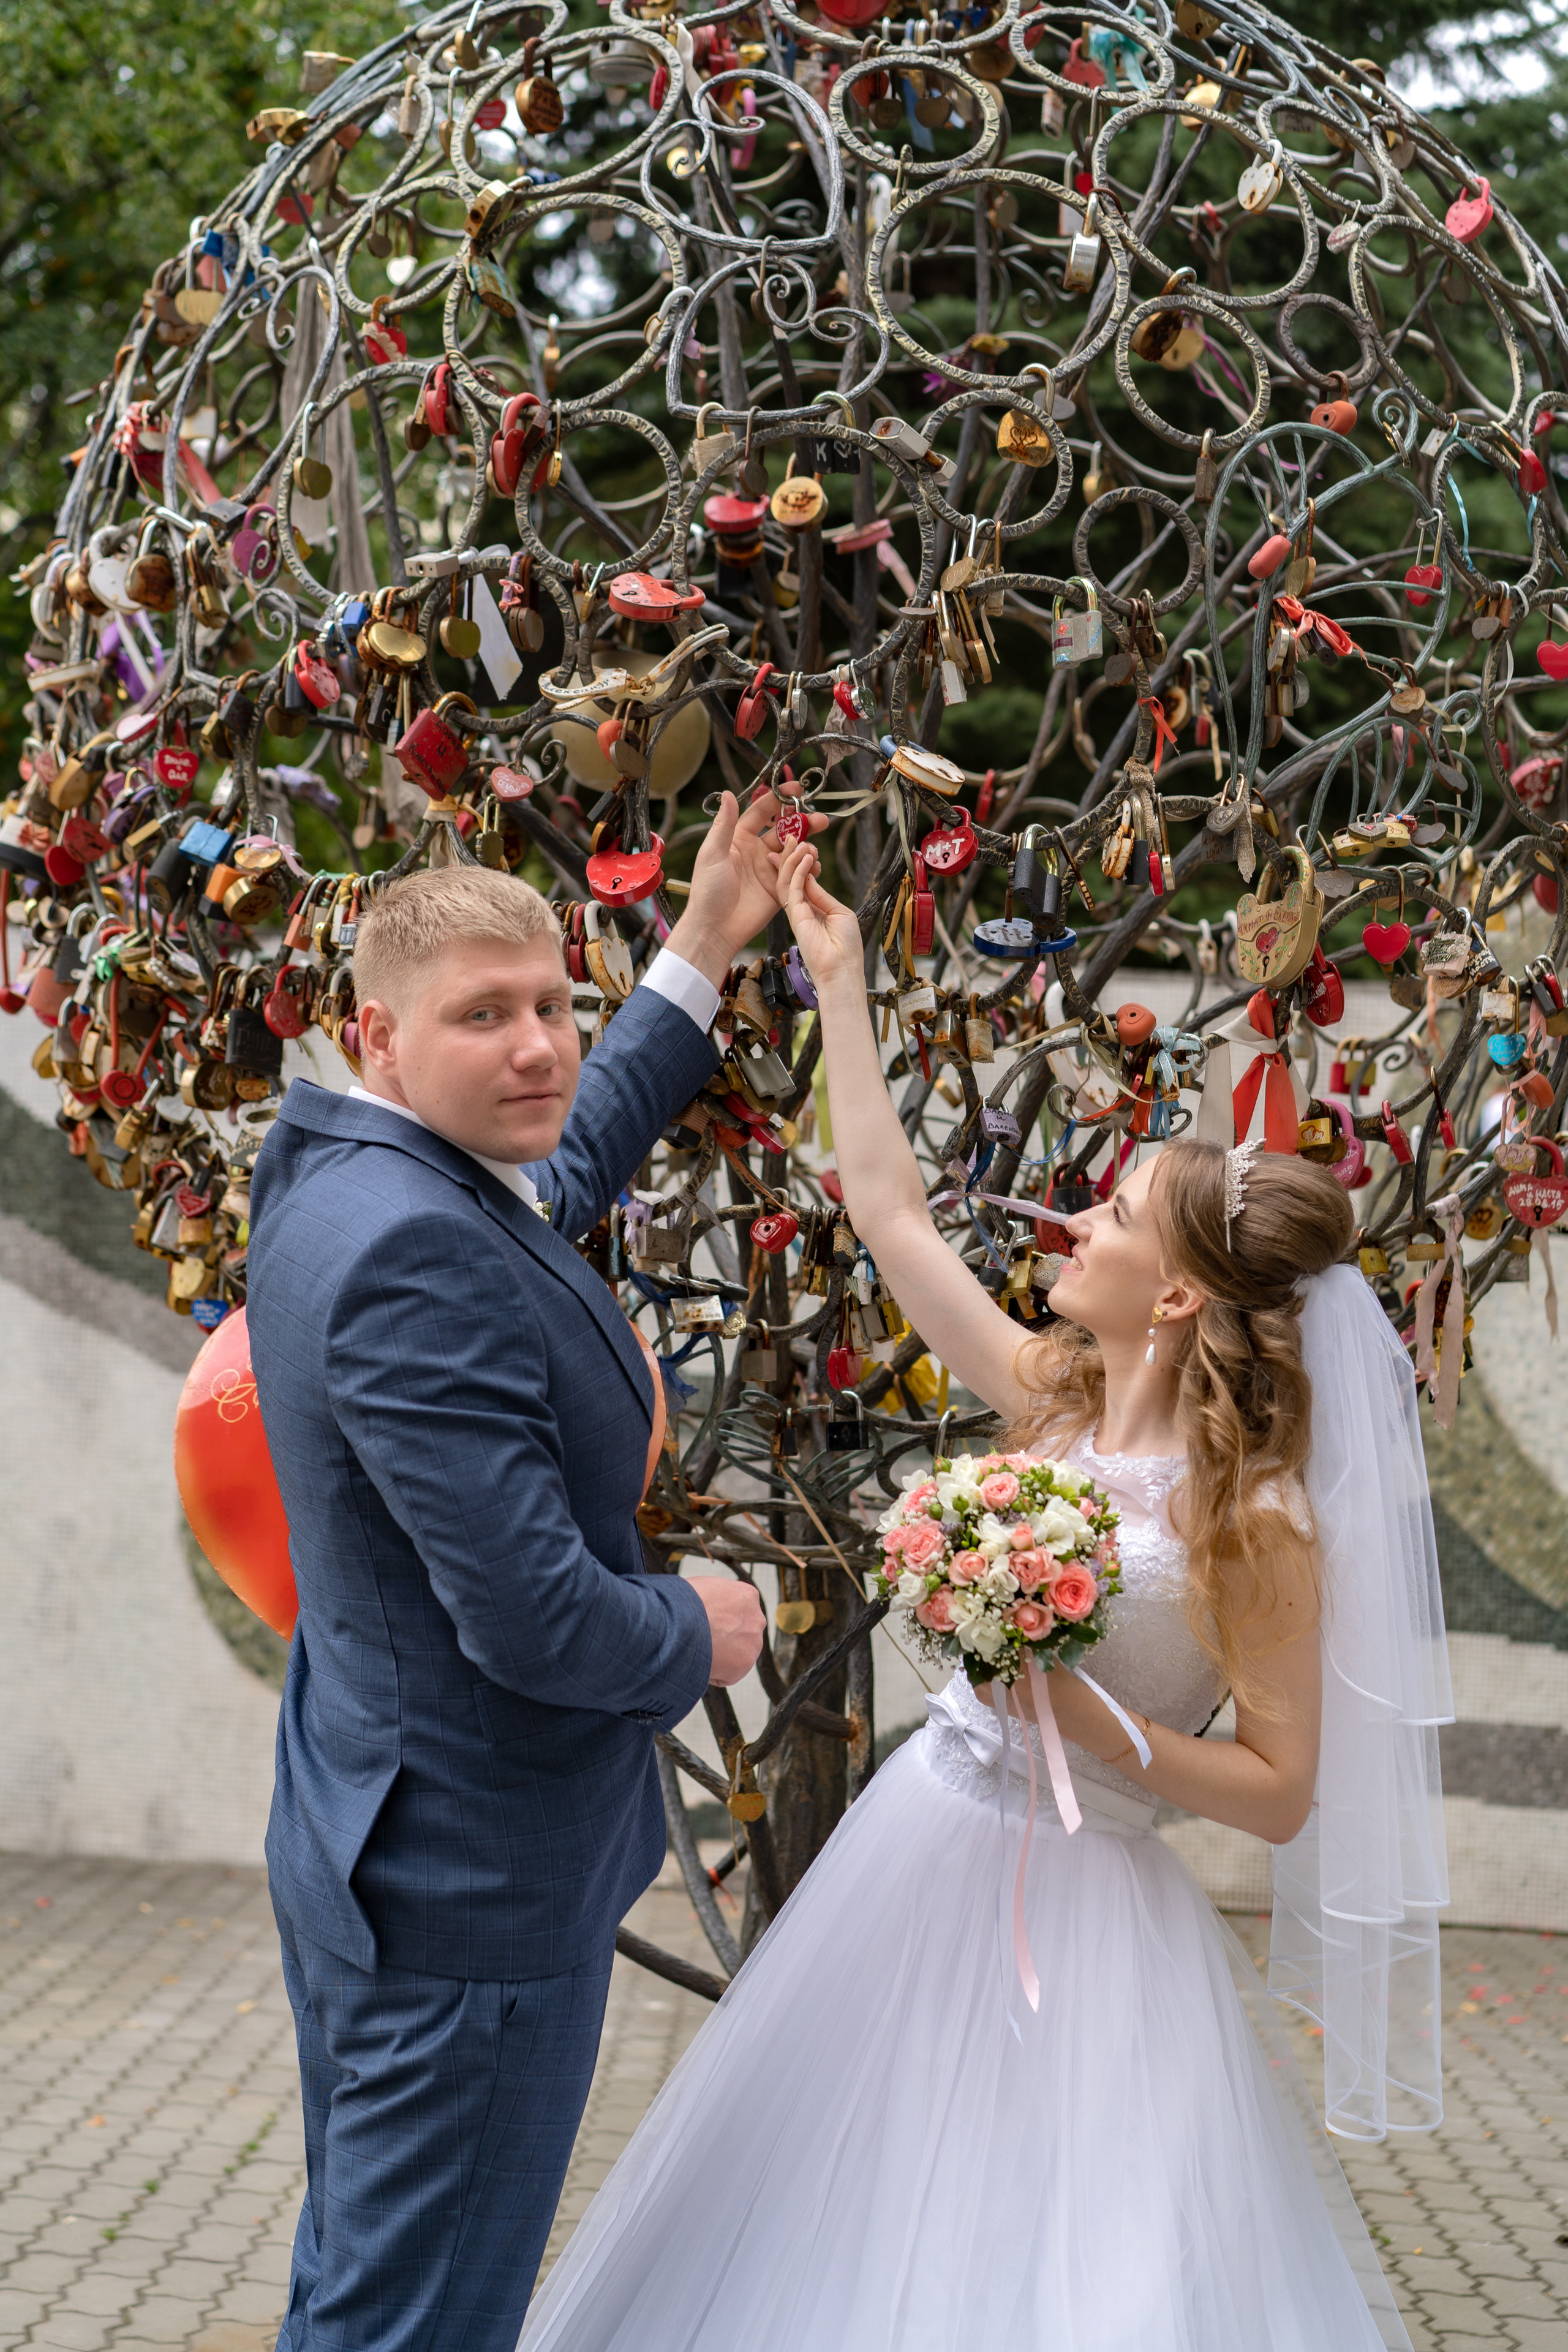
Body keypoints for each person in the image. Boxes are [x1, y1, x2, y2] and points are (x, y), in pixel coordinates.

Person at [516, 838, 1451, 2352]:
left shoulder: (1256, 1523)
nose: (1071, 1223)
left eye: (1115, 1215)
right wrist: (836, 978)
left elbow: (1281, 1795)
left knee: (1077, 2261)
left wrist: (1096, 1725)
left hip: (1094, 1917)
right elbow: (884, 1208)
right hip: (924, 1839)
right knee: (846, 2198)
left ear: (1176, 1297)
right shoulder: (1047, 1401)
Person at [245, 794, 788, 2352]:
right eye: (482, 1016)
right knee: (415, 2318)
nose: (539, 1047)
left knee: (367, 2272)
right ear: (377, 1035)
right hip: (464, 1896)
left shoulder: (354, 1175)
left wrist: (692, 950)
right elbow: (538, 1616)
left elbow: (559, 1172)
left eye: (553, 1004)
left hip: (372, 1830)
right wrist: (694, 1627)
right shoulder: (414, 1253)